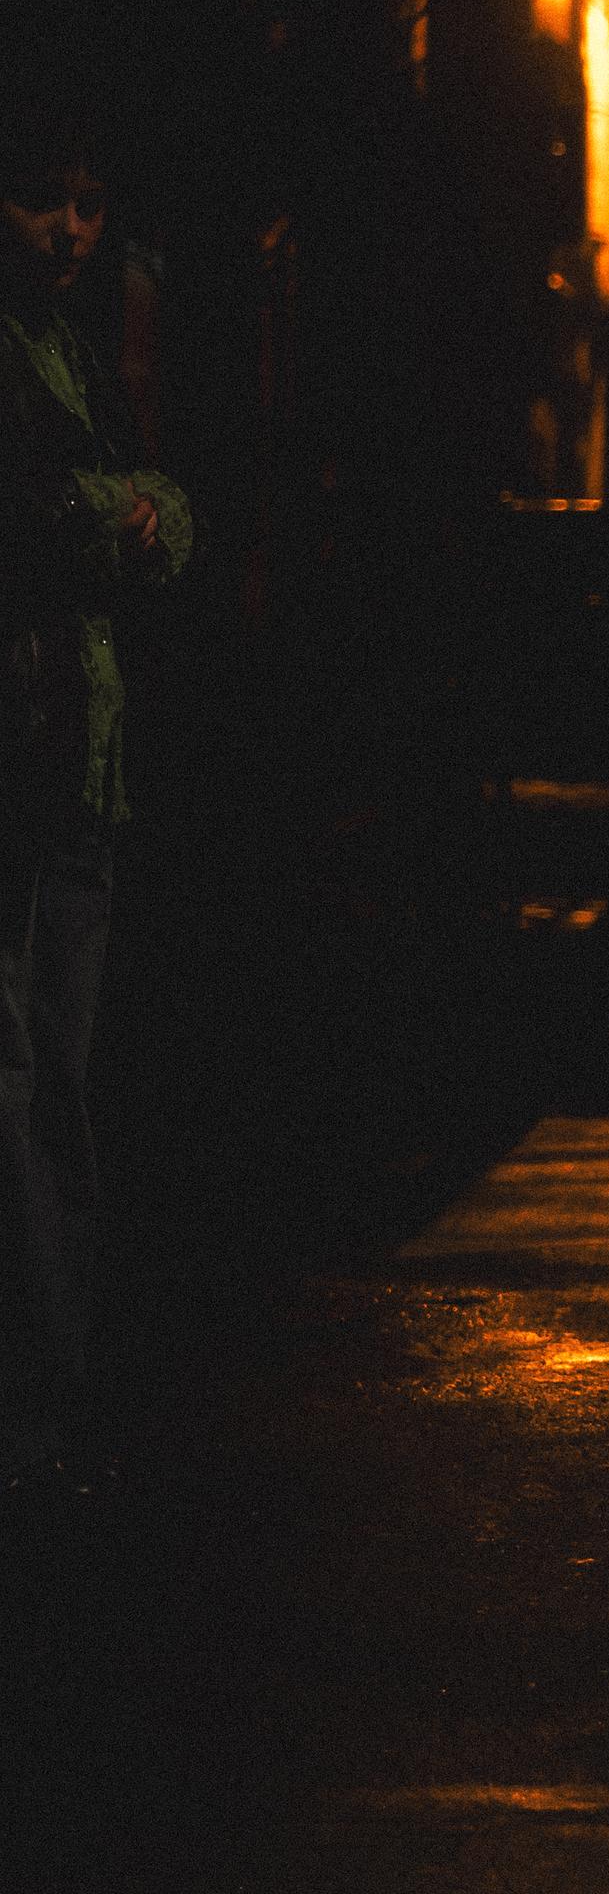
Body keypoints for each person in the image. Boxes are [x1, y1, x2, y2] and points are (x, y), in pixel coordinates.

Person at [2, 136, 191, 1498]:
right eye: (46, 198)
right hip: (22, 756)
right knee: (24, 1086)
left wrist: (135, 515)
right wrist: (114, 516)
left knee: (54, 1084)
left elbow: (165, 507)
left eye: (90, 200)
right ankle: (37, 1404)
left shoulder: (76, 338)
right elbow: (43, 510)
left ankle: (51, 1405)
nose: (70, 227)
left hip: (84, 757)